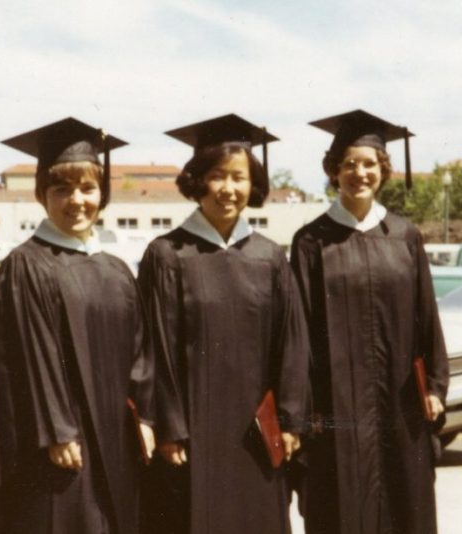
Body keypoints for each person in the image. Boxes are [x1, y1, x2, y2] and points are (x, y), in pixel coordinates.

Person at [0, 118, 156, 534]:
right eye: (61, 189)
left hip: (114, 439)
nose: (77, 201)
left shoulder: (116, 269)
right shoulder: (28, 263)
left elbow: (141, 352)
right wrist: (56, 430)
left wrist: (145, 416)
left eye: (88, 188)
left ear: (102, 194)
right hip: (60, 445)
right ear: (41, 196)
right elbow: (34, 355)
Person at [138, 114, 310, 534]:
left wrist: (290, 420)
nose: (229, 189)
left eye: (239, 177)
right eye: (217, 176)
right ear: (198, 181)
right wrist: (169, 426)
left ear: (253, 185)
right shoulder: (167, 254)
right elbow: (153, 346)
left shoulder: (268, 258)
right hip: (192, 433)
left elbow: (292, 344)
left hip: (256, 429)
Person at [291, 110, 450, 534]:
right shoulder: (311, 241)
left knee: (405, 506)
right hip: (337, 410)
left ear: (383, 169)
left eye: (369, 164)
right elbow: (300, 334)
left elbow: (426, 317)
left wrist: (435, 385)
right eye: (349, 164)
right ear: (334, 171)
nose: (359, 173)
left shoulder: (404, 236)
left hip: (401, 407)